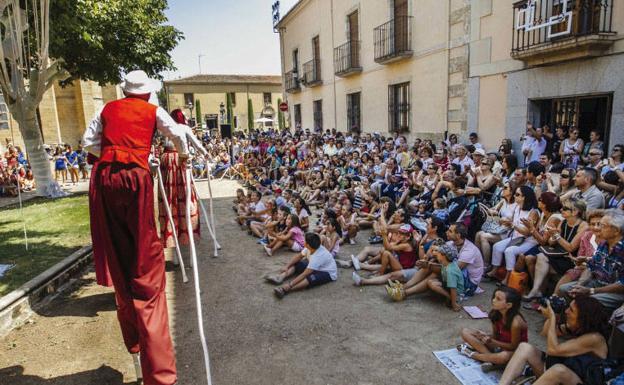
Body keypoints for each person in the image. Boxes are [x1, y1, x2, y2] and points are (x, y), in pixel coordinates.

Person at [82, 70, 190, 385]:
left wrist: (112, 155)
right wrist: (183, 157)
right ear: (146, 93)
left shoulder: (107, 109)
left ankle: (134, 345)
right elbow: (179, 135)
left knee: (121, 263)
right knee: (146, 270)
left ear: (125, 91)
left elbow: (88, 142)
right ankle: (159, 374)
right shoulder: (152, 110)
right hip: (136, 180)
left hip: (104, 179)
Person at [498, 297, 609, 385]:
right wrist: (553, 314)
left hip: (576, 380)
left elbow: (552, 349)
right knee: (525, 347)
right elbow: (545, 333)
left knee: (559, 370)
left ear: (583, 317)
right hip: (559, 375)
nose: (566, 311)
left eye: (571, 310)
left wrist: (552, 318)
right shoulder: (579, 328)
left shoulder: (594, 338)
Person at [559, 209, 624, 310]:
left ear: (616, 231)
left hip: (616, 291)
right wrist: (579, 285)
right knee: (565, 289)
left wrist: (592, 291)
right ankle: (570, 321)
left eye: (603, 225)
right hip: (599, 282)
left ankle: (584, 324)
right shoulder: (604, 244)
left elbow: (621, 285)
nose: (599, 228)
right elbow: (591, 266)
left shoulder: (622, 249)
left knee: (589, 300)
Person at [158, 109, 201, 255]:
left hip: (166, 161)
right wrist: (206, 155)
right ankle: (186, 243)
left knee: (170, 202)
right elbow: (197, 145)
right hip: (179, 160)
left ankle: (177, 248)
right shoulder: (183, 128)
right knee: (185, 199)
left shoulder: (166, 128)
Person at [458, 287, 528, 369]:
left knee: (503, 356)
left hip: (513, 351)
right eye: (494, 297)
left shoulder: (516, 323)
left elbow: (514, 346)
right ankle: (491, 360)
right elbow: (496, 336)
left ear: (508, 305)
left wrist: (492, 341)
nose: (493, 300)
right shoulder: (495, 313)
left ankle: (473, 355)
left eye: (498, 299)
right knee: (465, 332)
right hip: (499, 346)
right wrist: (484, 336)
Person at [270, 232, 338, 298]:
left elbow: (305, 274)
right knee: (299, 263)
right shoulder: (311, 247)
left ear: (307, 244)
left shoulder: (317, 257)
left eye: (304, 240)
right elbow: (298, 257)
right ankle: (280, 277)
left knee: (310, 278)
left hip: (327, 272)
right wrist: (287, 266)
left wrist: (290, 284)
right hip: (317, 266)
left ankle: (286, 290)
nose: (303, 241)